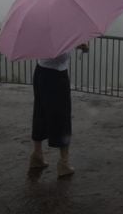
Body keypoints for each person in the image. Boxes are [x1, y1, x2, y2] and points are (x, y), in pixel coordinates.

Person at [28, 43, 89, 177]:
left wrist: (78, 46)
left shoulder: (41, 34)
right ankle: (64, 163)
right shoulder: (60, 37)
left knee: (40, 113)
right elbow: (62, 55)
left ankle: (37, 156)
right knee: (62, 118)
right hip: (56, 77)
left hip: (40, 73)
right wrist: (79, 46)